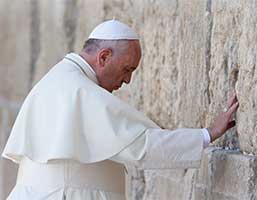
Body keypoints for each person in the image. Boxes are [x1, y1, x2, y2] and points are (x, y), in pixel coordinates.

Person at [2, 20, 239, 200]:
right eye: (127, 69)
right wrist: (208, 134)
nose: (127, 80)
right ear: (104, 57)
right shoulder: (80, 91)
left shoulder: (59, 79)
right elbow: (141, 146)